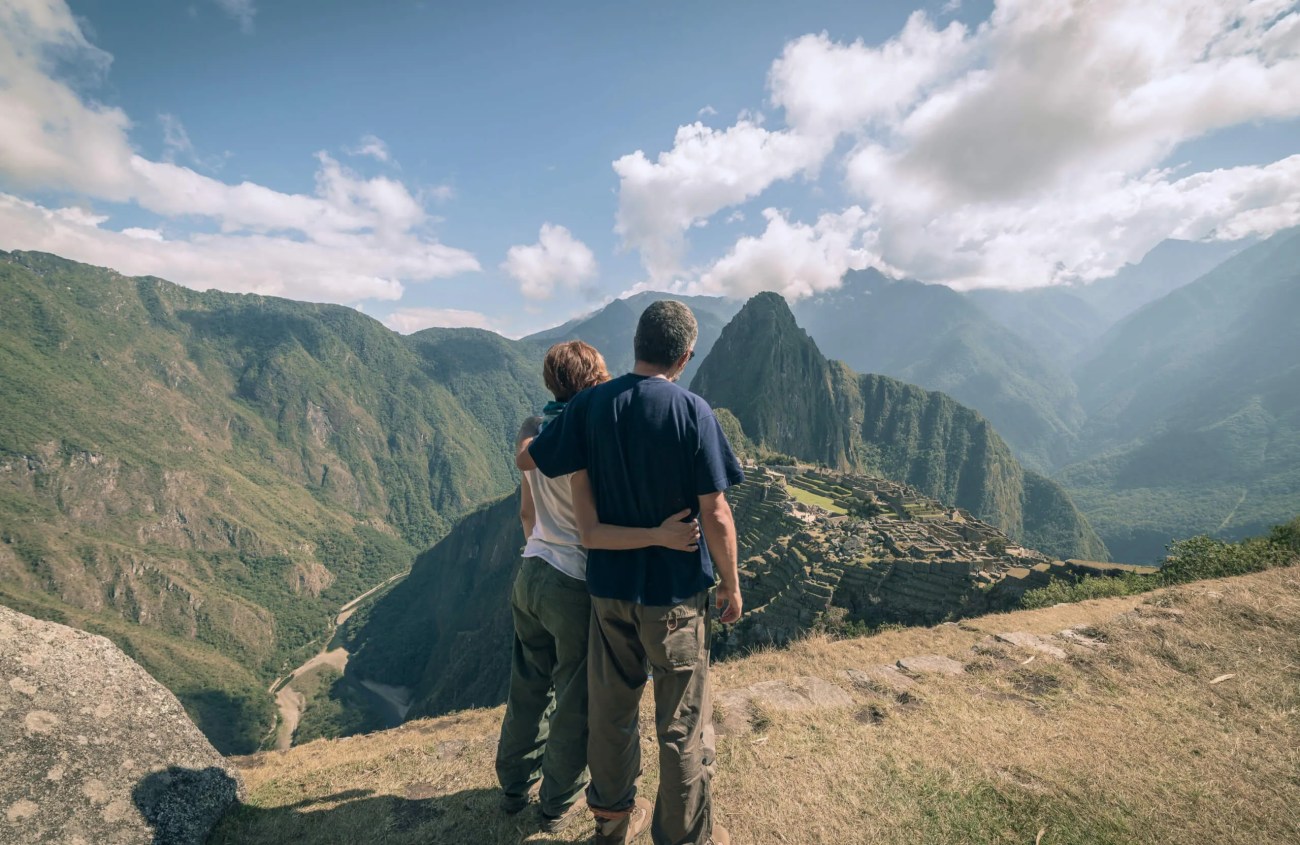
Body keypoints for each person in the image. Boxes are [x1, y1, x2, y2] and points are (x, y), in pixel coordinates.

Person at [521, 301, 744, 845]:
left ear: (637, 344)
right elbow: (715, 511)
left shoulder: (591, 405)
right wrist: (732, 584)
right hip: (674, 596)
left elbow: (533, 457)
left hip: (609, 593)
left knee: (612, 712)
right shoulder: (694, 412)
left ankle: (611, 821)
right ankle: (681, 836)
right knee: (682, 722)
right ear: (685, 356)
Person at [496, 340, 701, 834]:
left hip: (532, 570)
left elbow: (528, 511)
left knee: (527, 685)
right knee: (574, 699)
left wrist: (539, 556)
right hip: (572, 580)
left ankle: (511, 785)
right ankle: (555, 801)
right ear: (596, 379)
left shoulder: (540, 436)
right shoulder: (591, 435)